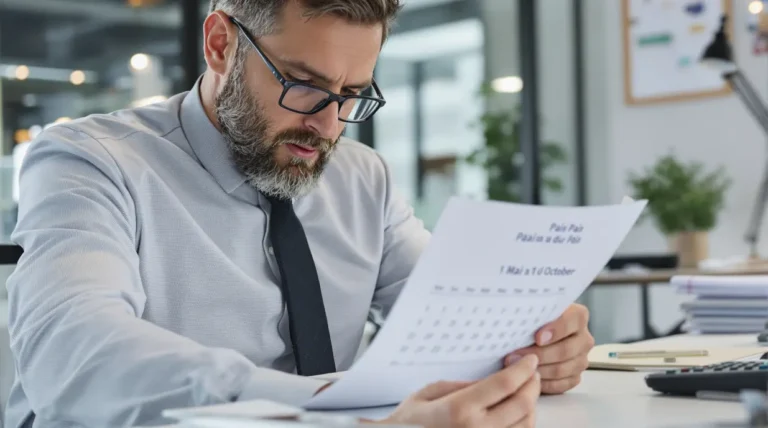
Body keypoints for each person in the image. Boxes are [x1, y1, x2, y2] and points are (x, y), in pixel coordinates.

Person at [4, 1, 595, 427]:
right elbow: (72, 353)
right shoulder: (91, 160)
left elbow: (451, 309)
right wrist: (324, 405)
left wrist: (532, 342)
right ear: (220, 45)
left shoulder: (364, 179)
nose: (329, 126)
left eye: (352, 94)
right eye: (304, 84)